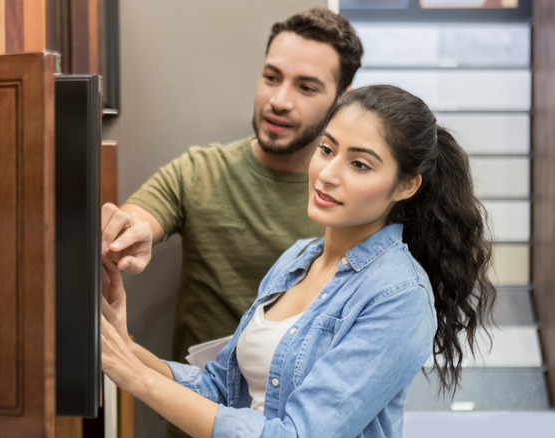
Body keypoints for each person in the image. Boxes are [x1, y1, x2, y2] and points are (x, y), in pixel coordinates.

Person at [99, 84, 497, 437]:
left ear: (406, 185)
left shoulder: (399, 296)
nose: (326, 173)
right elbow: (219, 390)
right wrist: (126, 347)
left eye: (359, 164)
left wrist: (136, 379)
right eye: (326, 149)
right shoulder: (297, 260)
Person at [101, 8, 365, 372]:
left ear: (341, 100)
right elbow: (140, 218)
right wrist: (127, 233)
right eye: (272, 77)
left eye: (306, 87)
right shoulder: (200, 171)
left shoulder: (357, 200)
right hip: (194, 409)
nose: (279, 100)